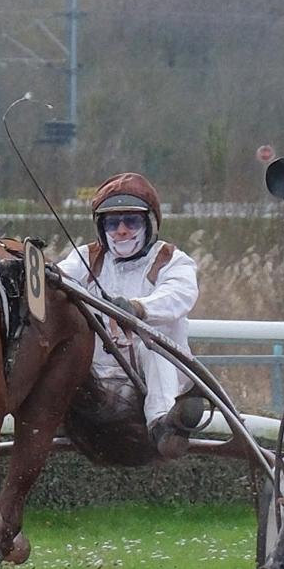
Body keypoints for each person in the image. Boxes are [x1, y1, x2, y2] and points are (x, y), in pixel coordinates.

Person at [58, 171, 202, 458]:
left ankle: (163, 426)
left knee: (155, 345)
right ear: (101, 227)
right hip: (97, 383)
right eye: (112, 223)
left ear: (149, 223)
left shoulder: (171, 260)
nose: (121, 230)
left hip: (152, 381)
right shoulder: (85, 258)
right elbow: (59, 281)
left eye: (131, 221)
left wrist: (138, 309)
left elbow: (179, 295)